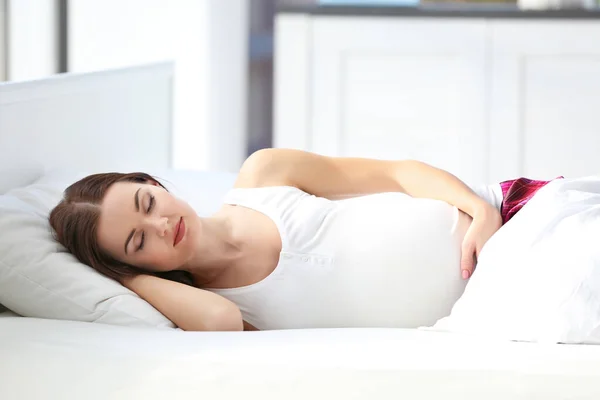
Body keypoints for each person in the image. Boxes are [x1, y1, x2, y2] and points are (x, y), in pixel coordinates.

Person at [48, 148, 556, 332]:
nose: (160, 225)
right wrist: (127, 276)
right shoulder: (213, 306)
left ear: (155, 186)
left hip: (512, 220)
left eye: (148, 204)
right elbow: (220, 324)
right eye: (137, 243)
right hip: (496, 307)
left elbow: (400, 173)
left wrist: (481, 209)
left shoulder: (264, 176)